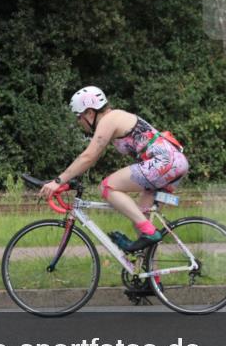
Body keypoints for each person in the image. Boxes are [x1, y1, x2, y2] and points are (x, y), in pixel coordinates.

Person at [39, 86, 188, 252]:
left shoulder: (109, 120)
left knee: (107, 187)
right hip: (173, 163)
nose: (79, 122)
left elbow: (87, 157)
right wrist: (71, 178)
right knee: (141, 223)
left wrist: (58, 181)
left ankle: (150, 233)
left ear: (89, 113)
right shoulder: (114, 119)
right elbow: (91, 159)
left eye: (79, 117)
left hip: (163, 162)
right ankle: (152, 277)